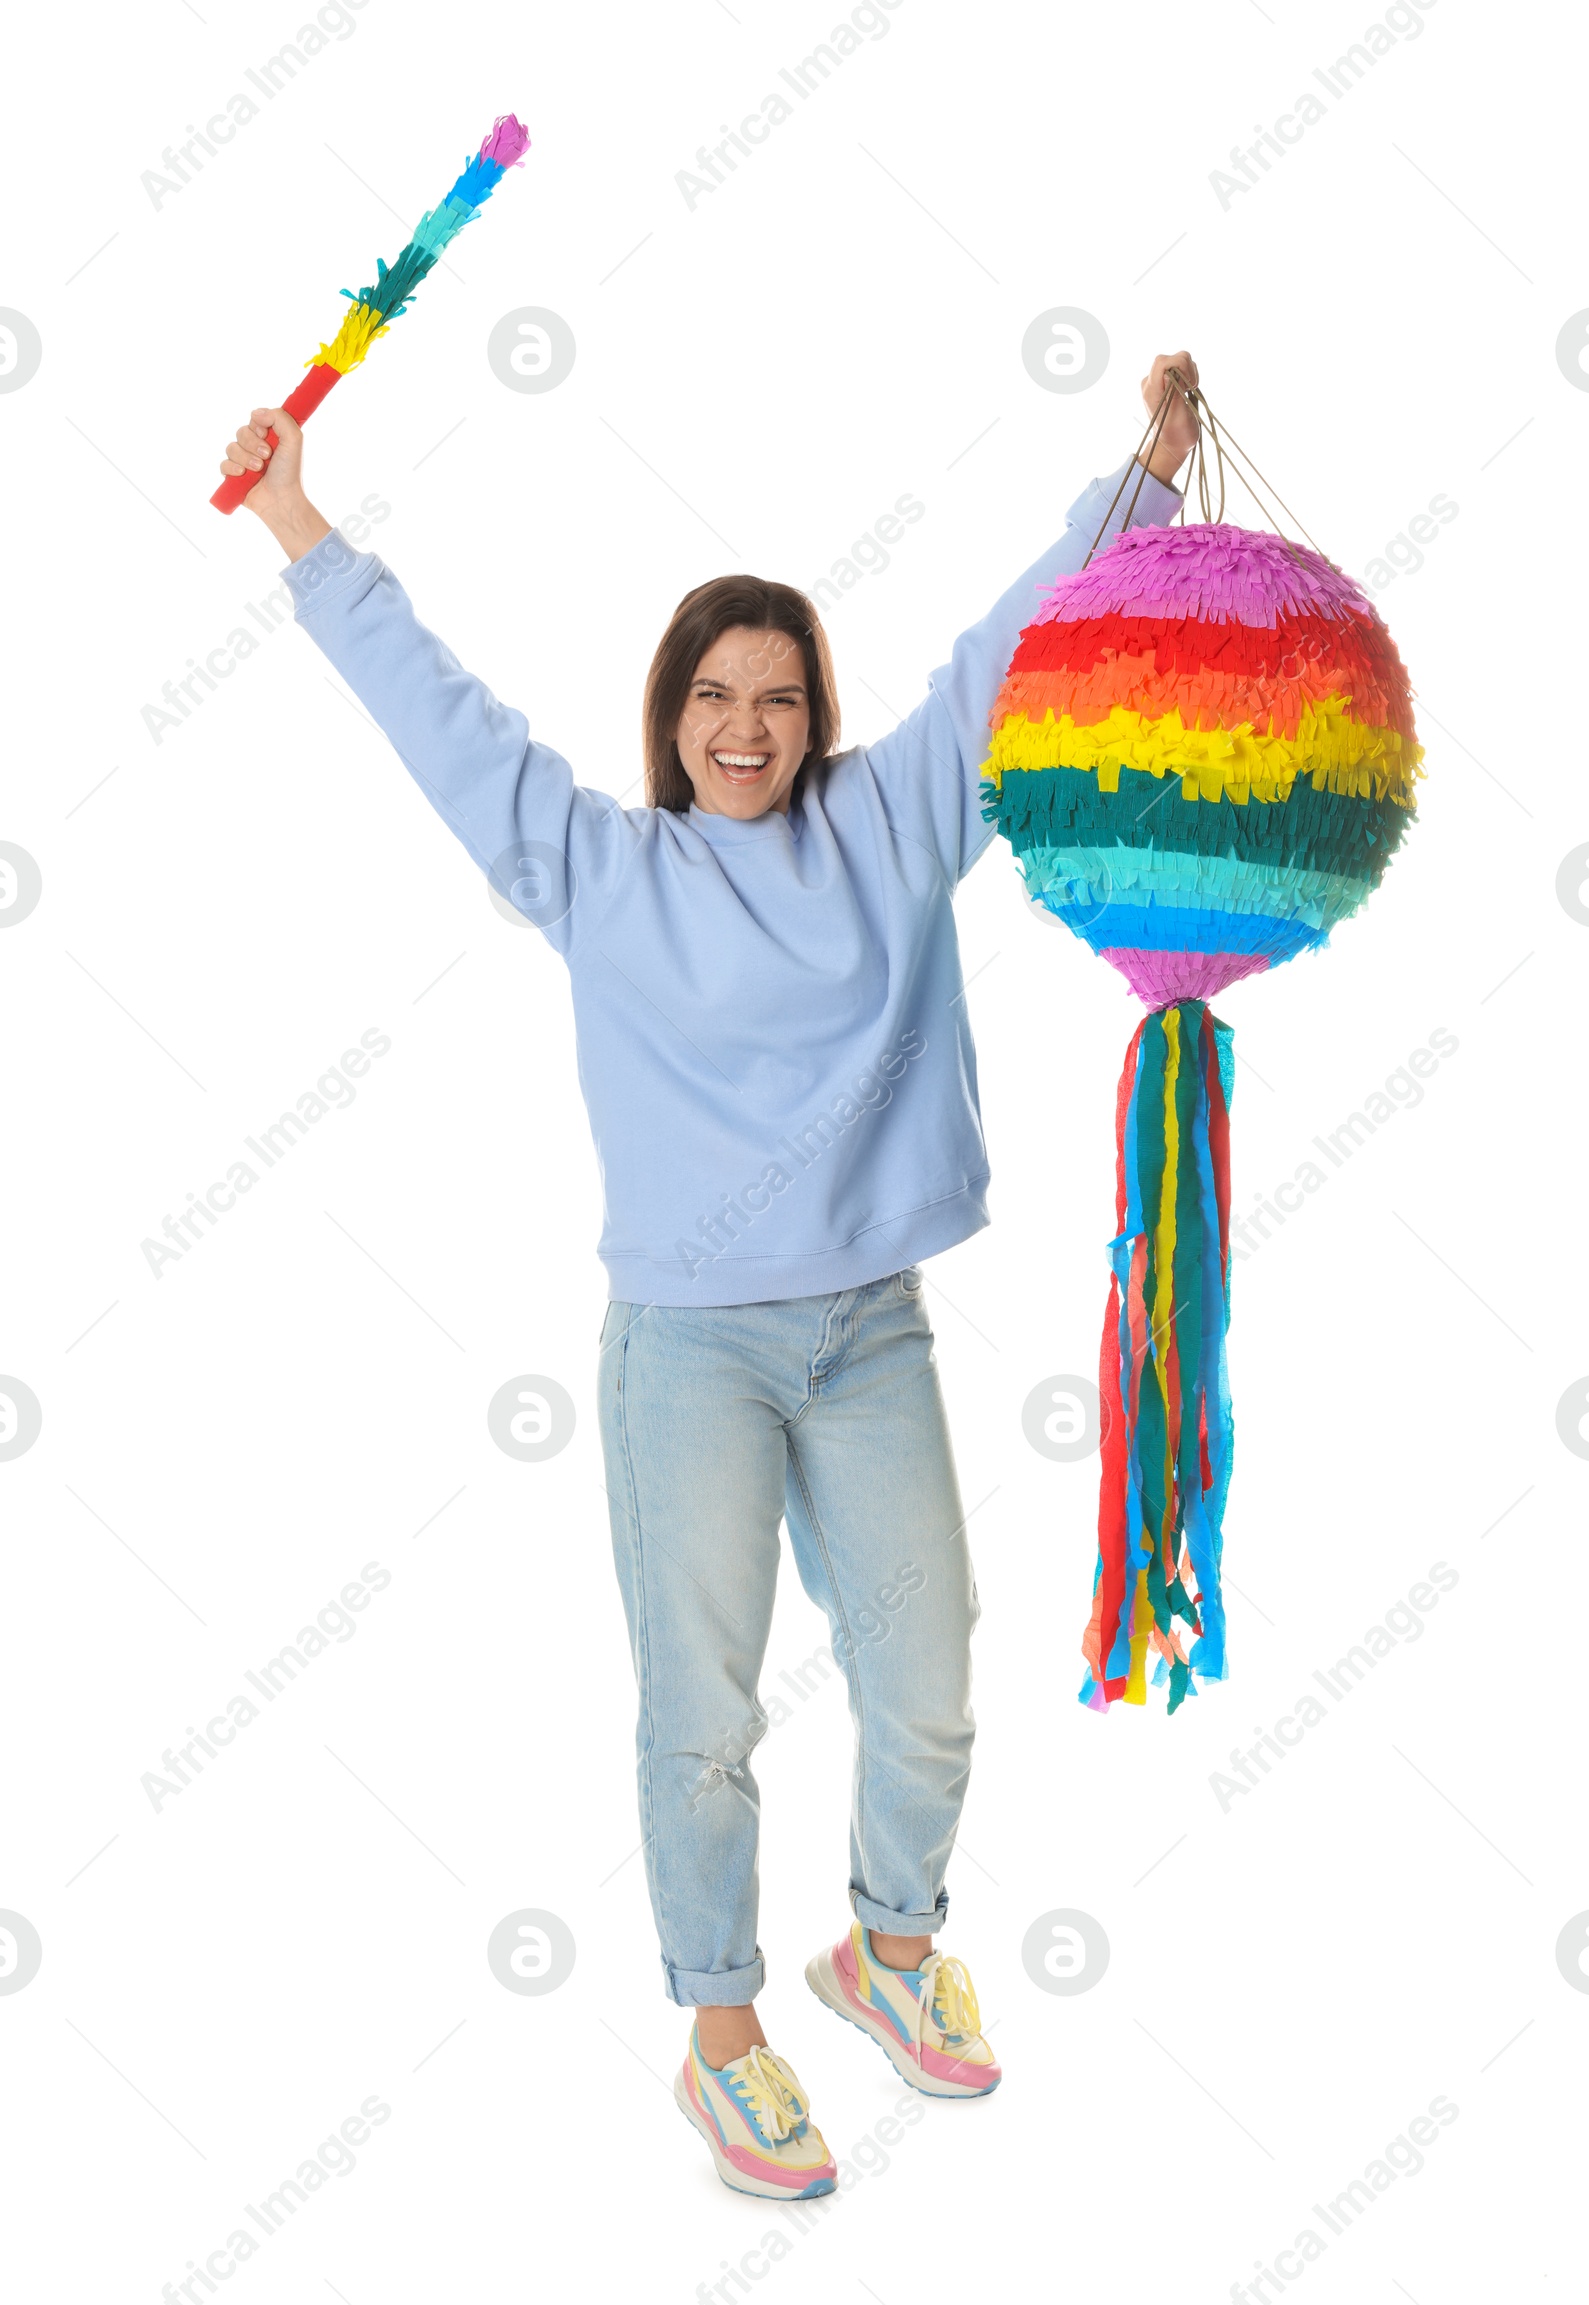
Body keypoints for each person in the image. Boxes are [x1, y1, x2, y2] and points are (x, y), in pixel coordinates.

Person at [217, 350, 1197, 2200]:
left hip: (870, 1334)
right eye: (714, 696)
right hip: (691, 1354)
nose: (746, 724)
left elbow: (1007, 652)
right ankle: (725, 2036)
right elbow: (439, 711)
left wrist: (1138, 483)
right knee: (706, 1711)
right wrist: (291, 513)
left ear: (817, 713)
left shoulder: (897, 821)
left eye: (780, 694)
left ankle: (888, 1954)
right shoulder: (594, 864)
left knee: (930, 1672)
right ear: (668, 716)